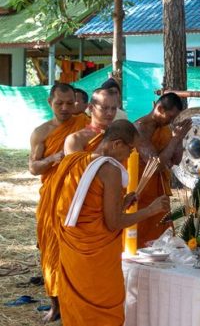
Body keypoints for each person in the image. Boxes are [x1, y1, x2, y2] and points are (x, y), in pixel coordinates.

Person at [55, 120, 170, 326]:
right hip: (96, 256)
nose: (130, 155)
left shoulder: (76, 160)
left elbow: (84, 208)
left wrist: (123, 202)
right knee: (103, 312)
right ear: (117, 144)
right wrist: (150, 210)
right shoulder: (110, 169)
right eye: (130, 149)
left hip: (74, 249)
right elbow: (114, 223)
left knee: (79, 311)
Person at [29, 83, 88, 322]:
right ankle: (56, 305)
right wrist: (54, 158)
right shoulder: (41, 132)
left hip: (80, 197)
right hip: (52, 198)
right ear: (49, 102)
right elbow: (33, 167)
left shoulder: (85, 126)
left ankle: (78, 302)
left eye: (70, 103)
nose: (65, 108)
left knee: (77, 251)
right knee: (51, 249)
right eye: (59, 103)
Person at [133, 92, 191, 247]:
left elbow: (176, 160)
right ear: (159, 109)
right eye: (170, 117)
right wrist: (175, 139)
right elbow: (156, 165)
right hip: (141, 191)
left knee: (162, 239)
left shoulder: (165, 129)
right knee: (142, 240)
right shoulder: (140, 128)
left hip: (160, 192)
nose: (171, 122)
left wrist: (178, 139)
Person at [64, 87, 119, 154]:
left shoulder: (120, 136)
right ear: (90, 108)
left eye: (113, 108)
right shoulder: (76, 139)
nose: (110, 113)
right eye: (104, 108)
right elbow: (80, 164)